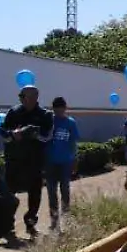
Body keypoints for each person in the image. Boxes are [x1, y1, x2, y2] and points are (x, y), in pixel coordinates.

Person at [0, 85, 53, 238]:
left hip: (34, 161)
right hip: (14, 160)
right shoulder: (13, 112)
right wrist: (13, 134)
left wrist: (34, 133)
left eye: (25, 97)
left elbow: (48, 135)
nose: (22, 99)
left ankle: (30, 223)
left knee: (35, 194)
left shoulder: (45, 114)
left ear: (35, 97)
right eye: (21, 97)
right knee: (9, 193)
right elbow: (2, 131)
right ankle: (7, 224)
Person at [44, 97, 80, 231]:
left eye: (61, 108)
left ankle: (67, 218)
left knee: (65, 190)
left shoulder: (70, 123)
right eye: (56, 108)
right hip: (50, 163)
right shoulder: (49, 121)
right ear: (53, 109)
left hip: (65, 162)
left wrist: (75, 160)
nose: (59, 111)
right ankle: (54, 220)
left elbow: (73, 143)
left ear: (65, 108)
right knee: (51, 192)